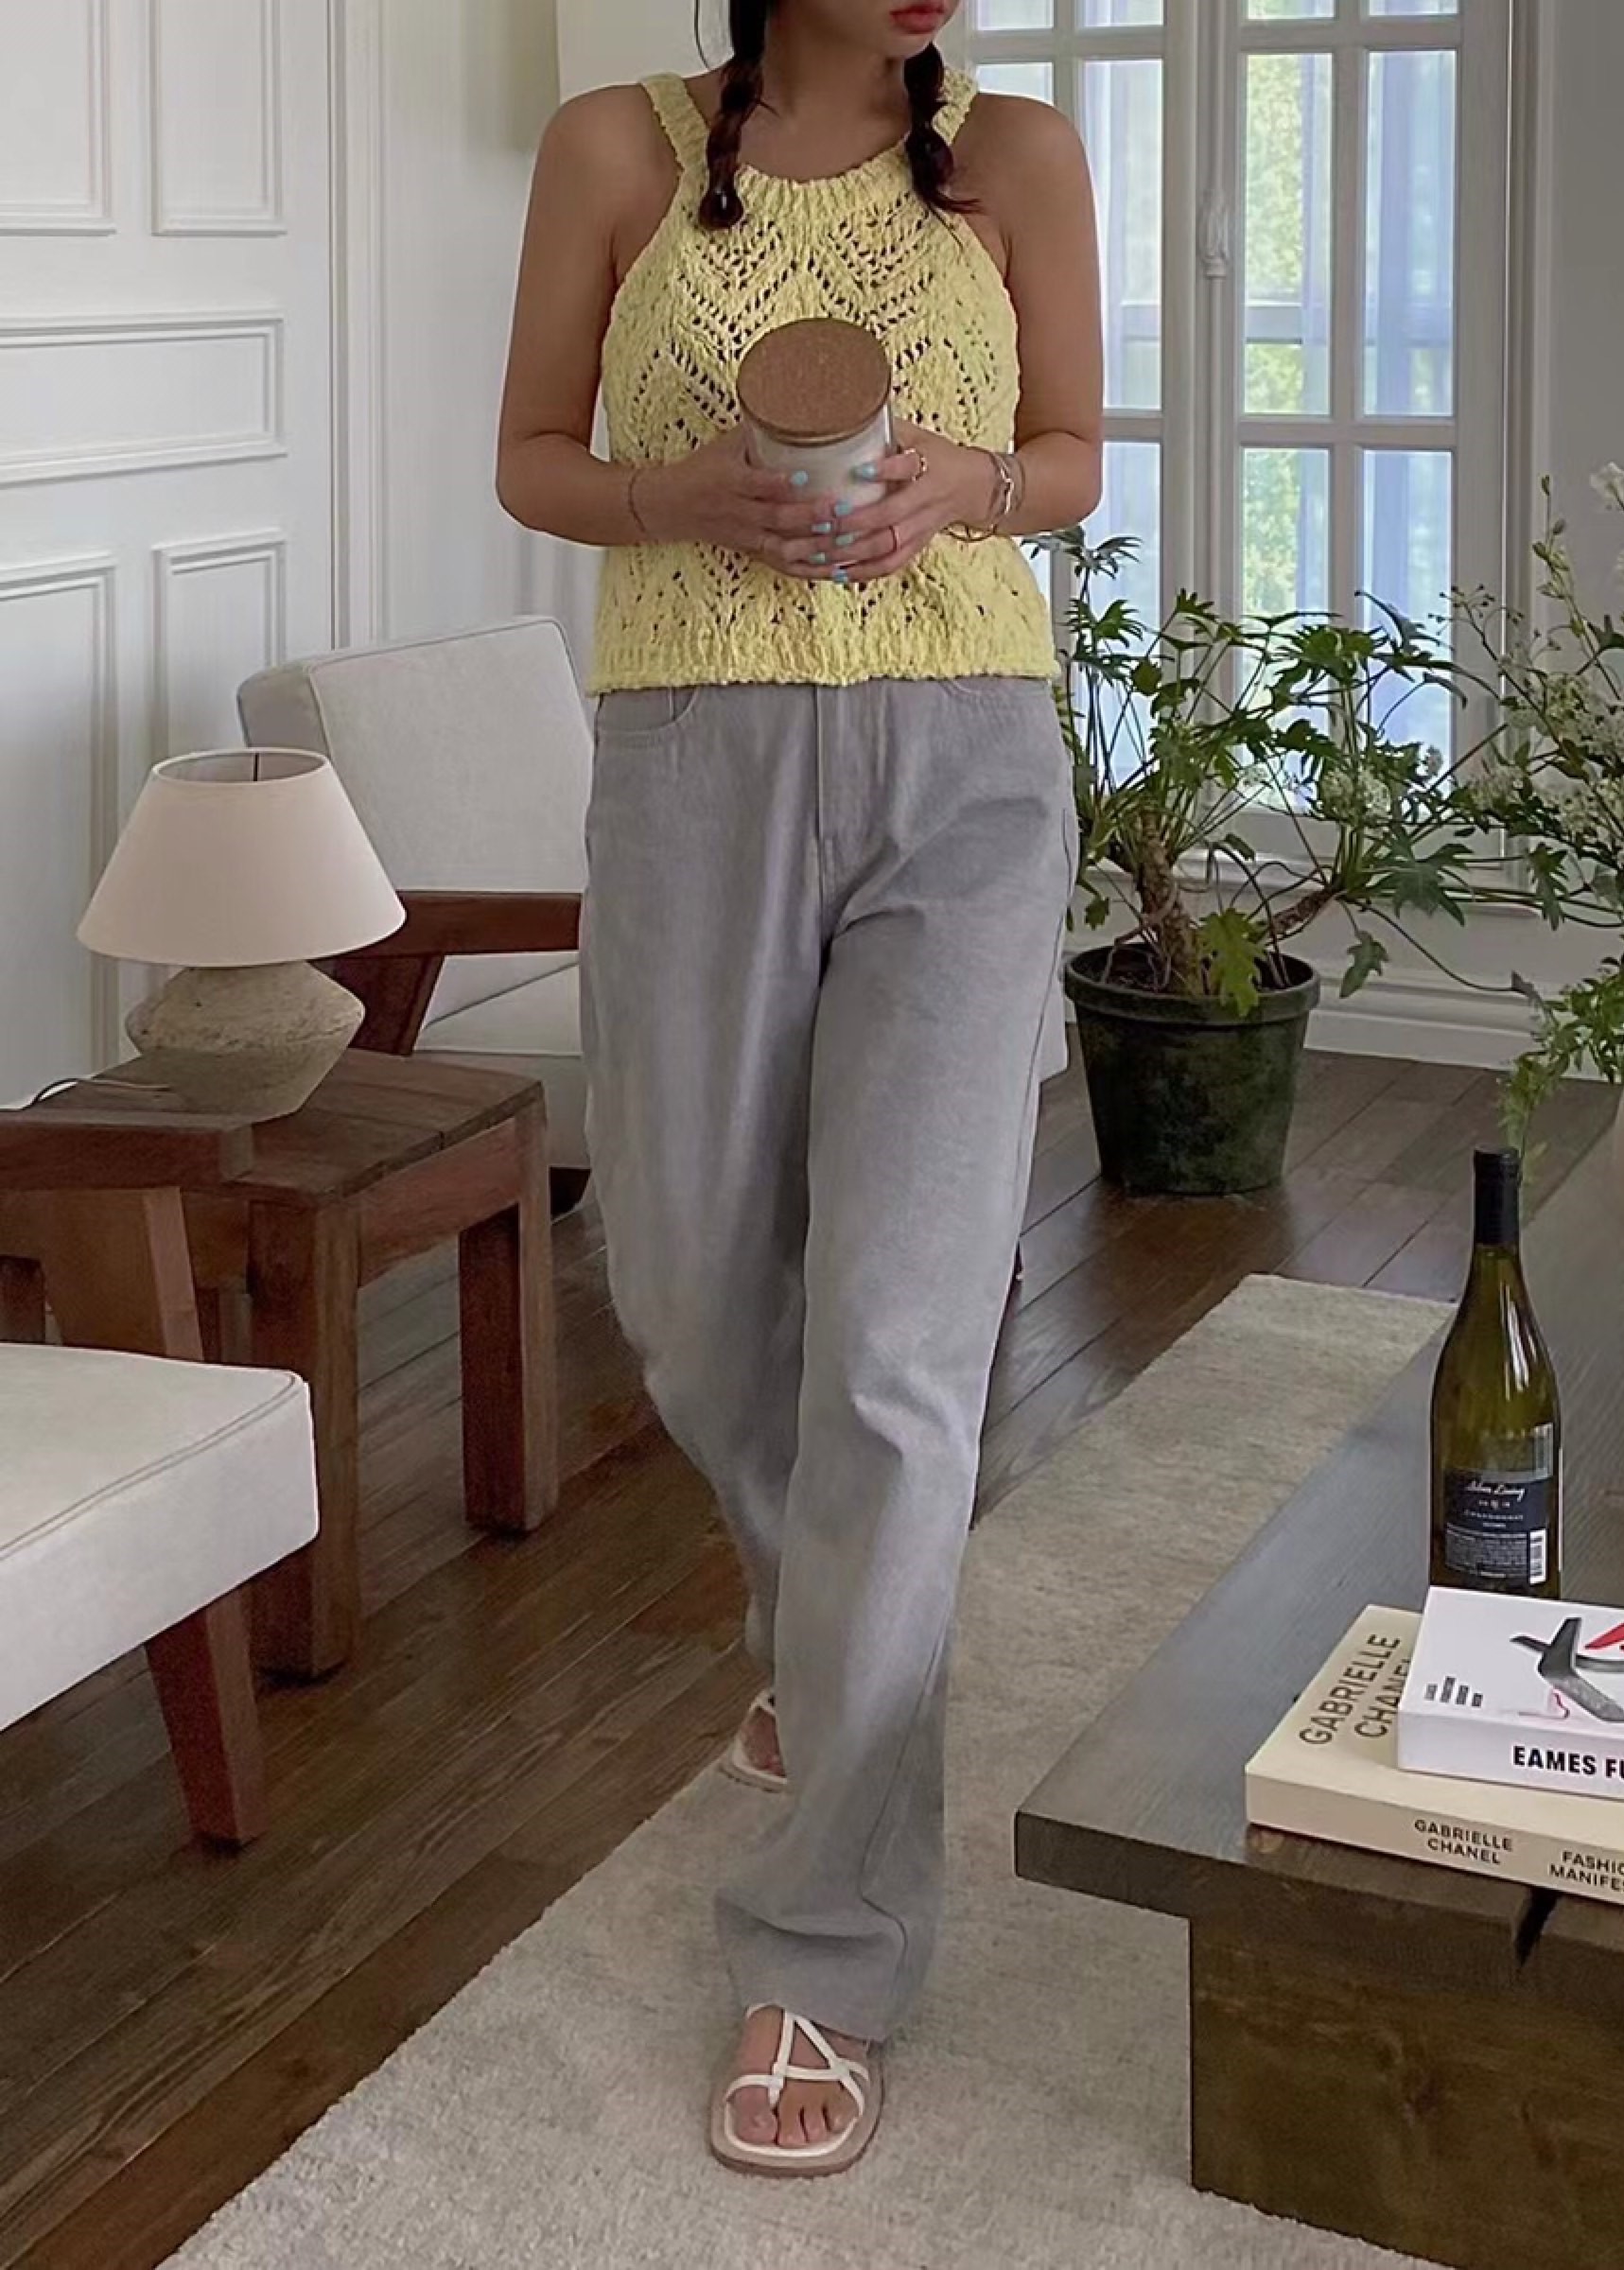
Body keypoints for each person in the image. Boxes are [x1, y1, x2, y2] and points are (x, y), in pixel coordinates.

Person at [497, 0, 1103, 2177]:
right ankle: (819, 1621)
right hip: (696, 759)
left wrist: (978, 483)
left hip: (967, 759)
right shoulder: (617, 149)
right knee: (678, 1291)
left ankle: (825, 1948)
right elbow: (530, 458)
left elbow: (1076, 458)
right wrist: (676, 497)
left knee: (901, 1358)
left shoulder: (1020, 153)